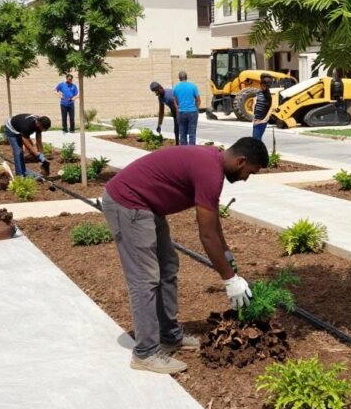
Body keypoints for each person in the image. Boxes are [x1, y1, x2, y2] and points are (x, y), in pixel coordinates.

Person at [101, 137, 268, 374]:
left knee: (168, 267)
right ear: (241, 161)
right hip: (128, 204)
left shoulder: (213, 163)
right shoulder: (210, 171)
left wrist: (227, 254)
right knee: (145, 278)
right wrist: (229, 280)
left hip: (148, 206)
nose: (245, 179)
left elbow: (213, 223)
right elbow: (206, 234)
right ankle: (145, 353)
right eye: (249, 172)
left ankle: (169, 335)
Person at [172, 71, 201, 145]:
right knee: (192, 134)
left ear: (179, 78)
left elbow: (174, 100)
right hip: (192, 112)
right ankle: (192, 152)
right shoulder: (193, 86)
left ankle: (184, 152)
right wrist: (196, 109)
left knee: (182, 134)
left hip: (181, 112)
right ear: (186, 77)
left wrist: (177, 109)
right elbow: (198, 99)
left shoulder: (176, 87)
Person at [149, 81, 179, 145]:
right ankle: (178, 146)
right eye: (155, 92)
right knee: (176, 130)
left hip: (181, 112)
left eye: (156, 91)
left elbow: (179, 103)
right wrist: (159, 124)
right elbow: (161, 111)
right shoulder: (160, 97)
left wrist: (178, 114)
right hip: (175, 113)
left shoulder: (170, 95)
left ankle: (185, 148)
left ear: (160, 88)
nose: (156, 93)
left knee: (182, 130)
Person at [251, 73, 274, 140]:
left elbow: (271, 108)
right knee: (257, 140)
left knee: (256, 140)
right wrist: (253, 115)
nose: (262, 87)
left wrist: (265, 119)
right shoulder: (259, 92)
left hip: (261, 120)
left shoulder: (267, 95)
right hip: (256, 119)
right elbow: (255, 101)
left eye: (264, 85)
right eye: (261, 85)